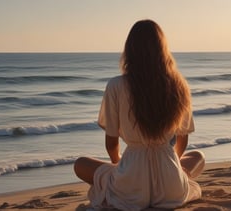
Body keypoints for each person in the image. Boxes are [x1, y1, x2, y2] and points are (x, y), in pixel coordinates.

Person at [74, 19, 205, 210]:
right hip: (171, 184)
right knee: (198, 156)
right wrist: (171, 167)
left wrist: (119, 166)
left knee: (80, 164)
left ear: (130, 50)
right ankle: (178, 175)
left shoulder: (116, 85)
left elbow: (111, 144)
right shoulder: (179, 85)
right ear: (163, 49)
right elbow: (182, 142)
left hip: (130, 184)